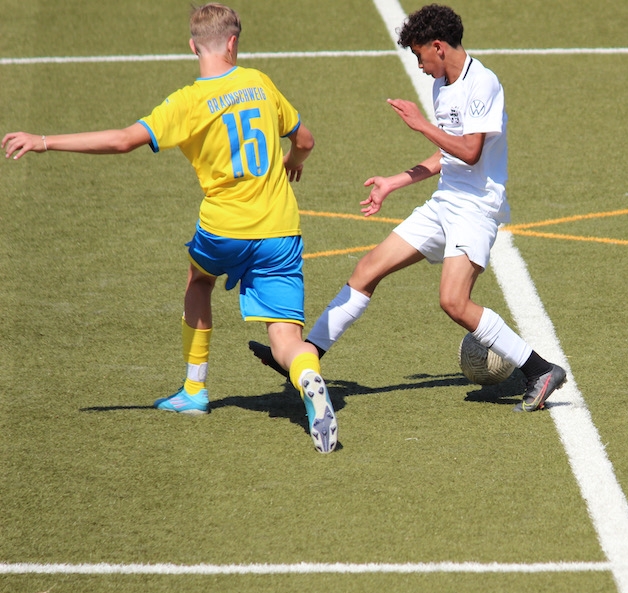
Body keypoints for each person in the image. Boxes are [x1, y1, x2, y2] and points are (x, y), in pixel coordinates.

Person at [2, 3, 337, 454]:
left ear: (193, 47)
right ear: (233, 42)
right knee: (286, 338)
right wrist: (293, 161)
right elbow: (305, 140)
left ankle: (194, 390)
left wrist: (45, 142)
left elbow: (123, 140)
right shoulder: (259, 82)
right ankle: (308, 376)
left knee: (199, 280)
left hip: (223, 229)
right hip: (279, 229)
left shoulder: (186, 102)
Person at [249, 4, 566, 413]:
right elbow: (446, 154)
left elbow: (470, 151)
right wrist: (395, 181)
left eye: (419, 55)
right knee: (367, 269)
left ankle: (539, 369)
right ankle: (302, 357)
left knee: (454, 301)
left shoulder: (482, 83)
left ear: (438, 47)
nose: (419, 65)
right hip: (445, 203)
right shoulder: (442, 85)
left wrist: (420, 124)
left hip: (475, 209)